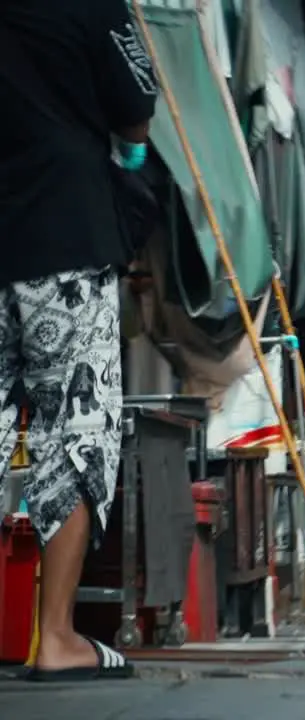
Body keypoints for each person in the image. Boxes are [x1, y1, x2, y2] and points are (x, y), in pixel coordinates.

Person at [0, 1, 158, 680]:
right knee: (76, 428)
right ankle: (58, 637)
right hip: (64, 230)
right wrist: (130, 159)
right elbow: (135, 106)